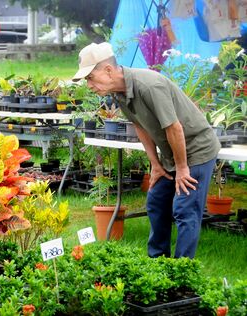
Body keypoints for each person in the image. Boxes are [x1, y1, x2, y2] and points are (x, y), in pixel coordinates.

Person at [73, 42, 221, 258]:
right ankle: (158, 263)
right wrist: (155, 165)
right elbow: (140, 126)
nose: (89, 85)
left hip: (197, 149)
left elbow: (174, 128)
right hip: (173, 152)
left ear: (107, 70)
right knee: (156, 200)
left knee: (184, 209)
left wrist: (182, 168)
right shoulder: (120, 93)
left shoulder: (149, 86)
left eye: (90, 77)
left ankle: (181, 272)